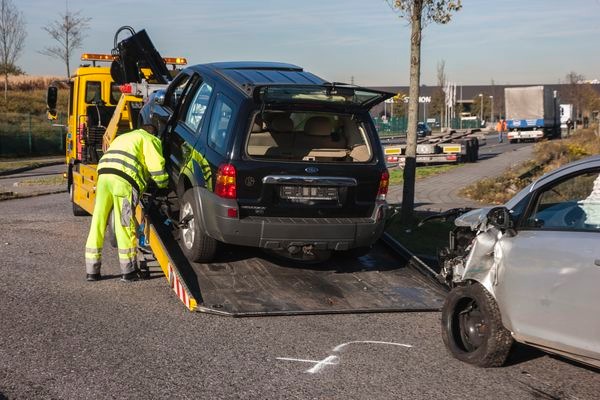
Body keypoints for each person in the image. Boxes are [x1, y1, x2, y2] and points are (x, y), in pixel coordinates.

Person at [84, 125, 168, 282]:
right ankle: (128, 272)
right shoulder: (150, 139)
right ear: (153, 133)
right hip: (123, 182)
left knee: (98, 221)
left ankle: (92, 271)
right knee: (124, 224)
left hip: (103, 177)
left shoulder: (123, 137)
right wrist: (163, 184)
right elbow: (156, 168)